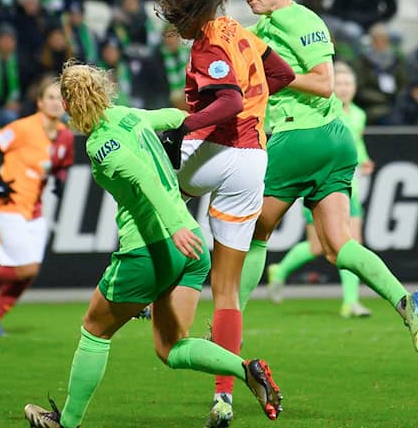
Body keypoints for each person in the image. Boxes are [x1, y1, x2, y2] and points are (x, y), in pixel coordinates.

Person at [22, 62, 283, 428]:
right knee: (171, 348)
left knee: (94, 330)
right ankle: (245, 369)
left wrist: (174, 226)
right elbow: (175, 117)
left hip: (150, 248)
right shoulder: (129, 116)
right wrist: (223, 124)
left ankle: (66, 423)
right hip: (191, 252)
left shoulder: (101, 145)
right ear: (104, 91)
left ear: (67, 106)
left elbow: (143, 177)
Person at [237, 0, 418, 358]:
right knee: (336, 246)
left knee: (254, 232)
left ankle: (227, 325)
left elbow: (324, 82)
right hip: (335, 141)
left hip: (301, 137)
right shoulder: (264, 27)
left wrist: (277, 78)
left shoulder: (302, 20)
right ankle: (405, 301)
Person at [154, 0, 295, 428]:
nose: (175, 24)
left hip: (219, 147)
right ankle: (224, 399)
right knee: (227, 290)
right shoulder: (240, 32)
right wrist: (255, 101)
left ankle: (148, 280)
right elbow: (282, 73)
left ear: (194, 14)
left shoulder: (209, 43)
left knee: (151, 180)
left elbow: (229, 102)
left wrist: (185, 128)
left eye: (178, 16)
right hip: (254, 159)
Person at [0, 78, 74, 336]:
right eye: (50, 97)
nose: (55, 103)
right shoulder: (23, 128)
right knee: (26, 268)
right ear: (40, 102)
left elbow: (63, 165)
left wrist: (61, 182)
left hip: (35, 209)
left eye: (59, 98)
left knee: (28, 273)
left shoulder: (65, 136)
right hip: (8, 204)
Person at [266, 62, 377, 317]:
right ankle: (280, 271)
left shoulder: (359, 115)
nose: (345, 88)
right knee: (317, 247)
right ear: (329, 85)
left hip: (349, 187)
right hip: (320, 186)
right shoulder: (322, 111)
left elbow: (355, 143)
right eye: (340, 83)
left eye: (349, 84)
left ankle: (351, 302)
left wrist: (365, 159)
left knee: (351, 243)